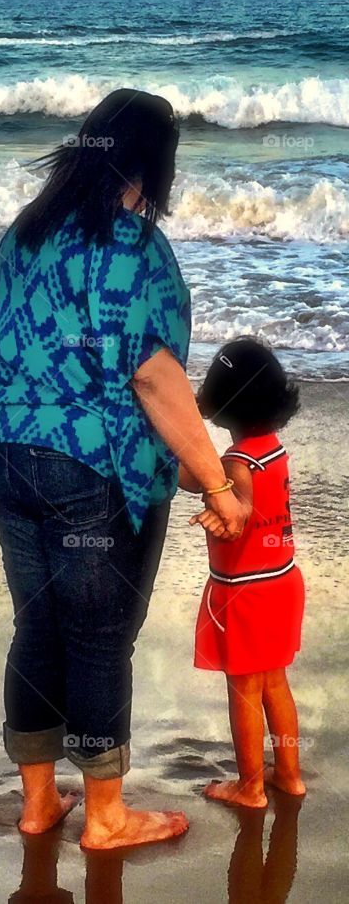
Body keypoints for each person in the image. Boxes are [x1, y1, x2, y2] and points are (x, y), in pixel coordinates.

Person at [0, 89, 249, 850]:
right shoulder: (134, 248)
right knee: (97, 637)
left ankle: (37, 803)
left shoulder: (28, 233)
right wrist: (217, 482)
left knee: (39, 625)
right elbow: (153, 376)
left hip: (3, 449)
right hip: (85, 466)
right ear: (155, 164)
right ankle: (108, 818)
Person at [185, 338, 306, 807]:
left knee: (243, 690)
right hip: (283, 582)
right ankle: (288, 774)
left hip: (246, 593)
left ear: (221, 399)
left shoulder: (237, 462)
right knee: (275, 683)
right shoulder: (273, 449)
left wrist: (222, 514)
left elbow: (235, 507)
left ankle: (250, 786)